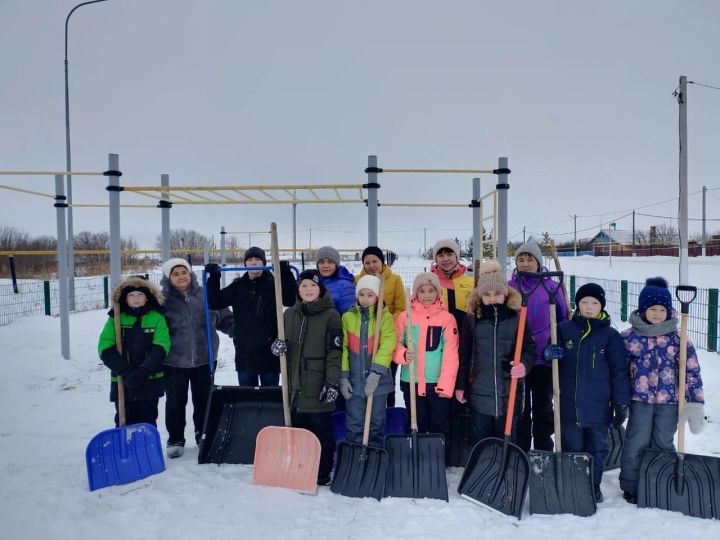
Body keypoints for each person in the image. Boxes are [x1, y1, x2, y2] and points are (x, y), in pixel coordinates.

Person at [618, 277, 705, 504]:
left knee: (663, 441)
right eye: (651, 309)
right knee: (636, 441)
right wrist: (618, 398)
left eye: (661, 309)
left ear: (669, 310)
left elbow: (691, 371)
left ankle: (659, 479)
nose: (657, 314)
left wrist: (695, 401)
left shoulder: (678, 339)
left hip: (669, 402)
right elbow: (619, 371)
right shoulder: (629, 338)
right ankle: (631, 484)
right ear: (642, 309)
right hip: (640, 400)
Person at [546, 282, 630, 503]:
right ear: (577, 304)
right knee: (571, 446)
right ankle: (574, 483)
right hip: (568, 405)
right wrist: (550, 352)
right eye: (584, 302)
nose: (589, 307)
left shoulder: (611, 336)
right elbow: (551, 364)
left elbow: (619, 371)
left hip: (599, 407)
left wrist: (620, 402)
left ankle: (593, 486)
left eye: (594, 302)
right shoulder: (563, 330)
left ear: (601, 306)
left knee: (597, 448)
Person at [272, 269, 342, 486]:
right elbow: (283, 343)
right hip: (295, 384)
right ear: (298, 290)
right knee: (299, 430)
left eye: (313, 286)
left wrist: (331, 381)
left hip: (318, 383)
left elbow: (335, 352)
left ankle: (323, 470)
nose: (309, 290)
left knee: (321, 430)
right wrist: (277, 347)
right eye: (304, 286)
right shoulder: (289, 314)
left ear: (320, 289)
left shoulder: (331, 316)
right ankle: (301, 467)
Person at [161, 258, 234, 458]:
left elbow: (225, 318)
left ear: (190, 273)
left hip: (205, 358)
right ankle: (175, 438)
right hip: (174, 360)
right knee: (176, 401)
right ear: (168, 278)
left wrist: (241, 332)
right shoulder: (162, 300)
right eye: (175, 274)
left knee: (204, 399)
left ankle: (203, 433)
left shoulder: (204, 295)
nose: (181, 277)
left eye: (183, 272)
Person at [456, 261, 534, 445]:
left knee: (506, 439)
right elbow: (464, 355)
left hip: (509, 394)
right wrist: (461, 385)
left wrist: (524, 364)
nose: (492, 298)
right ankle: (484, 469)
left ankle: (506, 469)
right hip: (479, 393)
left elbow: (529, 348)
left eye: (497, 293)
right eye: (487, 294)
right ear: (480, 296)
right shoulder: (471, 320)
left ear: (505, 294)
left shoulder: (517, 319)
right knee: (481, 439)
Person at [508, 238, 569, 453]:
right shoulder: (510, 288)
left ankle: (544, 448)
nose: (525, 263)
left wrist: (559, 343)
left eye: (529, 259)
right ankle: (521, 448)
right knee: (522, 408)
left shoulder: (552, 286)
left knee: (543, 407)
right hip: (520, 356)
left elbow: (562, 318)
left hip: (544, 356)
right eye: (521, 259)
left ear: (538, 262)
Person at [205, 246, 296, 386]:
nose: (254, 262)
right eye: (250, 259)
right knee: (246, 397)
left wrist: (285, 273)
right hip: (245, 352)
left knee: (269, 396)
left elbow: (290, 300)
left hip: (270, 350)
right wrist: (214, 278)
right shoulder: (238, 287)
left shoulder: (274, 285)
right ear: (245, 264)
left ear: (264, 263)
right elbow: (215, 302)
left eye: (258, 259)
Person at [393, 272, 459, 447]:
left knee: (439, 423)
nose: (427, 295)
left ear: (438, 293)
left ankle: (440, 461)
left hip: (436, 383)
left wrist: (445, 384)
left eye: (431, 290)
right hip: (411, 381)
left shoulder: (447, 319)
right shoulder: (404, 317)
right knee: (416, 422)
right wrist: (403, 354)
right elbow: (395, 345)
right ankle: (419, 459)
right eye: (422, 291)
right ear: (415, 293)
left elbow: (451, 354)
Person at [98, 276, 170, 428]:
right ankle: (125, 448)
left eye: (140, 295)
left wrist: (143, 371)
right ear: (125, 299)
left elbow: (162, 346)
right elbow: (105, 347)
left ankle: (145, 449)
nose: (136, 299)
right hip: (123, 380)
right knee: (124, 419)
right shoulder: (116, 319)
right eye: (131, 295)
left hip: (150, 378)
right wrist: (127, 371)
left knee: (148, 418)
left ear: (148, 297)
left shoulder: (156, 317)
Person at [339, 275, 397, 448]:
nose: (365, 299)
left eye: (370, 295)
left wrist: (376, 372)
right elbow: (343, 348)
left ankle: (374, 453)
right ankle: (354, 453)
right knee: (354, 421)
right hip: (354, 382)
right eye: (362, 294)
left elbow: (388, 344)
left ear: (378, 297)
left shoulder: (385, 318)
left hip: (378, 383)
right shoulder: (348, 317)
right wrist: (343, 376)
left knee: (376, 421)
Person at [354, 246, 405, 406]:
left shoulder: (394, 280)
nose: (371, 265)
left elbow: (401, 308)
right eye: (367, 262)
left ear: (382, 262)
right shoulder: (357, 280)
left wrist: (384, 321)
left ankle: (387, 409)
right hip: (364, 336)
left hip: (387, 335)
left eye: (375, 261)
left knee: (385, 378)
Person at [429, 239, 475, 331]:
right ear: (436, 259)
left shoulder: (472, 282)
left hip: (465, 336)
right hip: (437, 336)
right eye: (441, 255)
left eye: (449, 254)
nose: (445, 259)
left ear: (457, 257)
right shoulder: (429, 281)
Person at [315, 246, 355, 315]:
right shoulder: (312, 282)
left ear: (336, 265)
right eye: (321, 262)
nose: (325, 265)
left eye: (330, 262)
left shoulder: (345, 286)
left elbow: (349, 317)